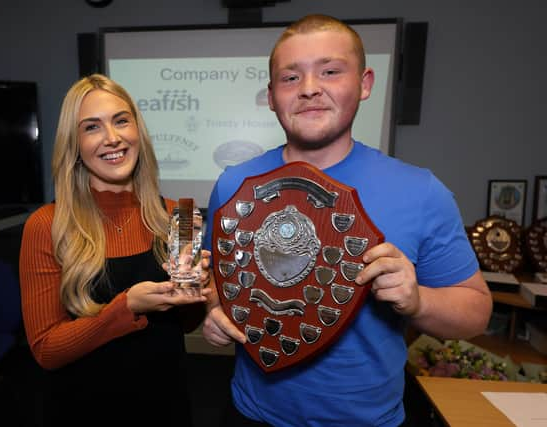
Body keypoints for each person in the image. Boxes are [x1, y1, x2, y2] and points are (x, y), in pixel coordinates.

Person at [201, 14, 493, 427]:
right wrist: (216, 308)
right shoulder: (234, 184)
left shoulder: (421, 191)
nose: (309, 89)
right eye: (290, 78)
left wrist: (419, 300)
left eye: (330, 71)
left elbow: (477, 313)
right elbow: (215, 275)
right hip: (249, 414)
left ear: (365, 83)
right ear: (270, 96)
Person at [19, 74, 211, 426]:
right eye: (92, 127)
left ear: (137, 131)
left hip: (166, 406)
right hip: (82, 410)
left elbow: (186, 324)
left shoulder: (180, 215)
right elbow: (46, 350)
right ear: (74, 144)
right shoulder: (46, 224)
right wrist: (126, 307)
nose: (112, 138)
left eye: (121, 121)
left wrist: (196, 289)